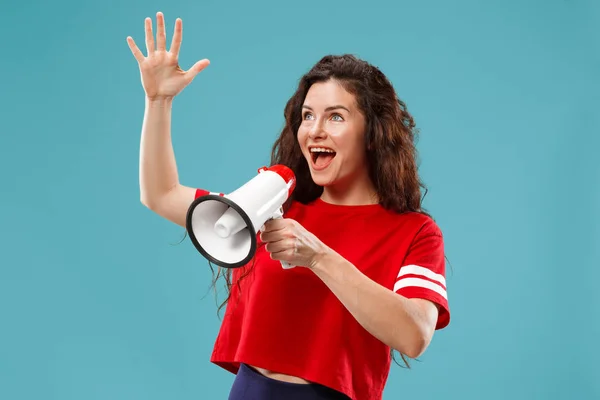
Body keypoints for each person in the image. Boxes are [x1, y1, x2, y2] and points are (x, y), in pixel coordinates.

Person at [127, 12, 450, 400]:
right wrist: (158, 101)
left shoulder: (413, 232)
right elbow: (160, 194)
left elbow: (415, 335)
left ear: (372, 133)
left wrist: (318, 257)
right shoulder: (272, 206)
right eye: (308, 115)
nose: (315, 130)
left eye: (335, 117)